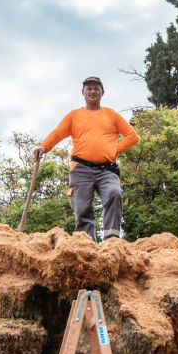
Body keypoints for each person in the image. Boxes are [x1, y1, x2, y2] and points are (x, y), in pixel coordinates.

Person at [34, 76, 139, 241]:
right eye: (89, 88)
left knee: (114, 193)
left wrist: (113, 150)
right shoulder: (74, 115)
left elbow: (133, 136)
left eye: (96, 88)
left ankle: (111, 241)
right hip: (80, 169)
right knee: (82, 207)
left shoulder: (111, 114)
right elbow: (57, 133)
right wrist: (43, 146)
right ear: (83, 92)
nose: (92, 91)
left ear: (102, 92)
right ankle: (86, 244)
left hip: (107, 170)